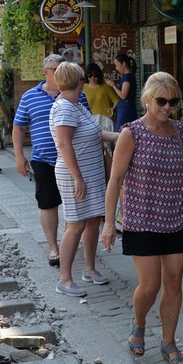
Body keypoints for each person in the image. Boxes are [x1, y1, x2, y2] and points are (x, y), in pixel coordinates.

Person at [101, 72, 183, 364]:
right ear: (147, 99)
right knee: (150, 285)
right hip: (141, 219)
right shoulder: (132, 133)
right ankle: (139, 322)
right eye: (162, 101)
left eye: (173, 101)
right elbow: (115, 179)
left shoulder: (180, 130)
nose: (167, 107)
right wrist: (109, 223)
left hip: (176, 217)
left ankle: (169, 342)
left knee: (174, 281)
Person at [13, 54, 91, 268]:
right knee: (48, 204)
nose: (60, 73)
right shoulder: (30, 96)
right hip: (45, 159)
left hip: (73, 161)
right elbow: (18, 126)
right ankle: (53, 247)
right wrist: (19, 156)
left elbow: (88, 125)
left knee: (74, 206)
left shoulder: (77, 94)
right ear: (45, 71)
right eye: (56, 69)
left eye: (64, 68)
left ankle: (70, 244)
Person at [50, 62, 120, 296]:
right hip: (76, 175)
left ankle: (89, 269)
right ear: (77, 80)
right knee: (75, 224)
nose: (85, 81)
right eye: (82, 78)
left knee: (91, 220)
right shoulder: (65, 108)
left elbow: (97, 133)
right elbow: (63, 144)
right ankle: (64, 279)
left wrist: (123, 136)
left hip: (90, 172)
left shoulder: (77, 104)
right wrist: (77, 177)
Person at [83, 62, 119, 133]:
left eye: (95, 75)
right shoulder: (83, 88)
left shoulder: (106, 86)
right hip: (90, 122)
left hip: (106, 120)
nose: (92, 78)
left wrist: (113, 108)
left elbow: (116, 100)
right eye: (90, 76)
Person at [105, 53, 137, 131]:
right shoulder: (126, 76)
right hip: (124, 107)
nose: (116, 68)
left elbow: (123, 95)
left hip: (126, 109)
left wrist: (113, 85)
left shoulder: (127, 77)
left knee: (121, 131)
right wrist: (114, 107)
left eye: (117, 65)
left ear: (123, 64)